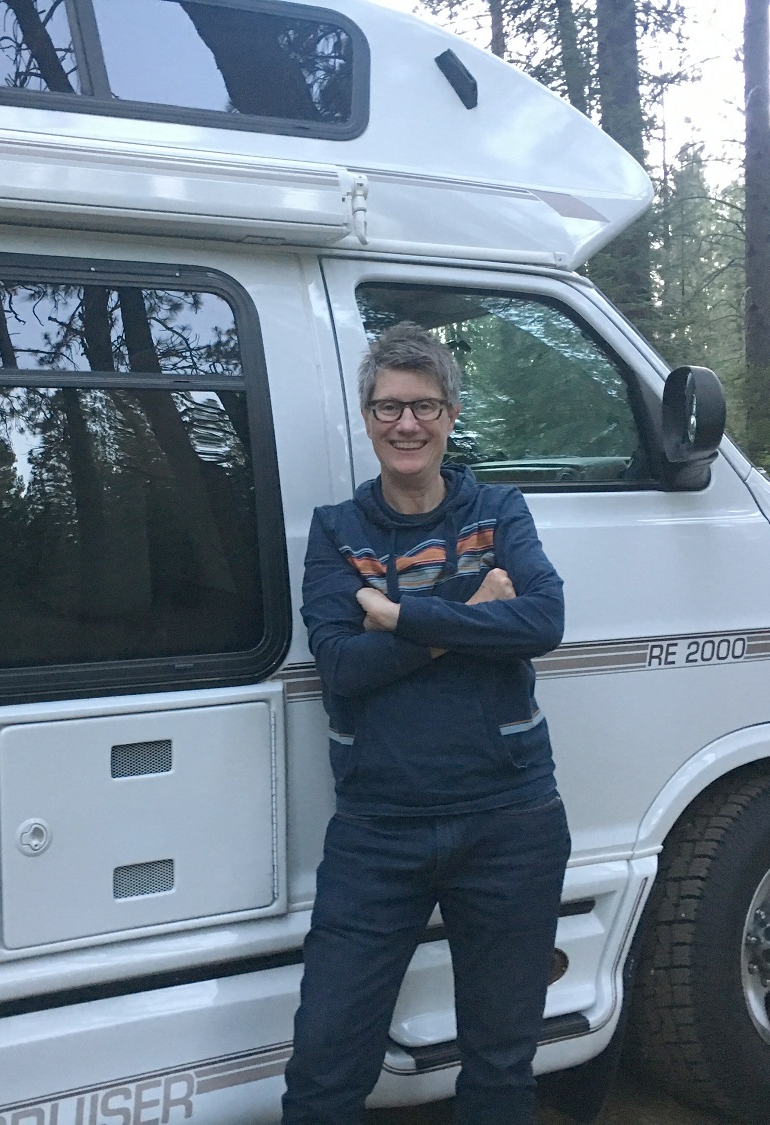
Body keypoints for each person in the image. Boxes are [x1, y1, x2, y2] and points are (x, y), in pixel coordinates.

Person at [282, 322, 570, 1124]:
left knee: (502, 1065)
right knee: (325, 1067)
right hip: (380, 829)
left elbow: (543, 619)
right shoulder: (339, 531)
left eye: (424, 406)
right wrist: (468, 611)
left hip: (510, 820)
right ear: (367, 417)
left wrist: (399, 616)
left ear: (449, 414)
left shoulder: (498, 508)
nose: (405, 424)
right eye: (388, 408)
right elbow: (341, 665)